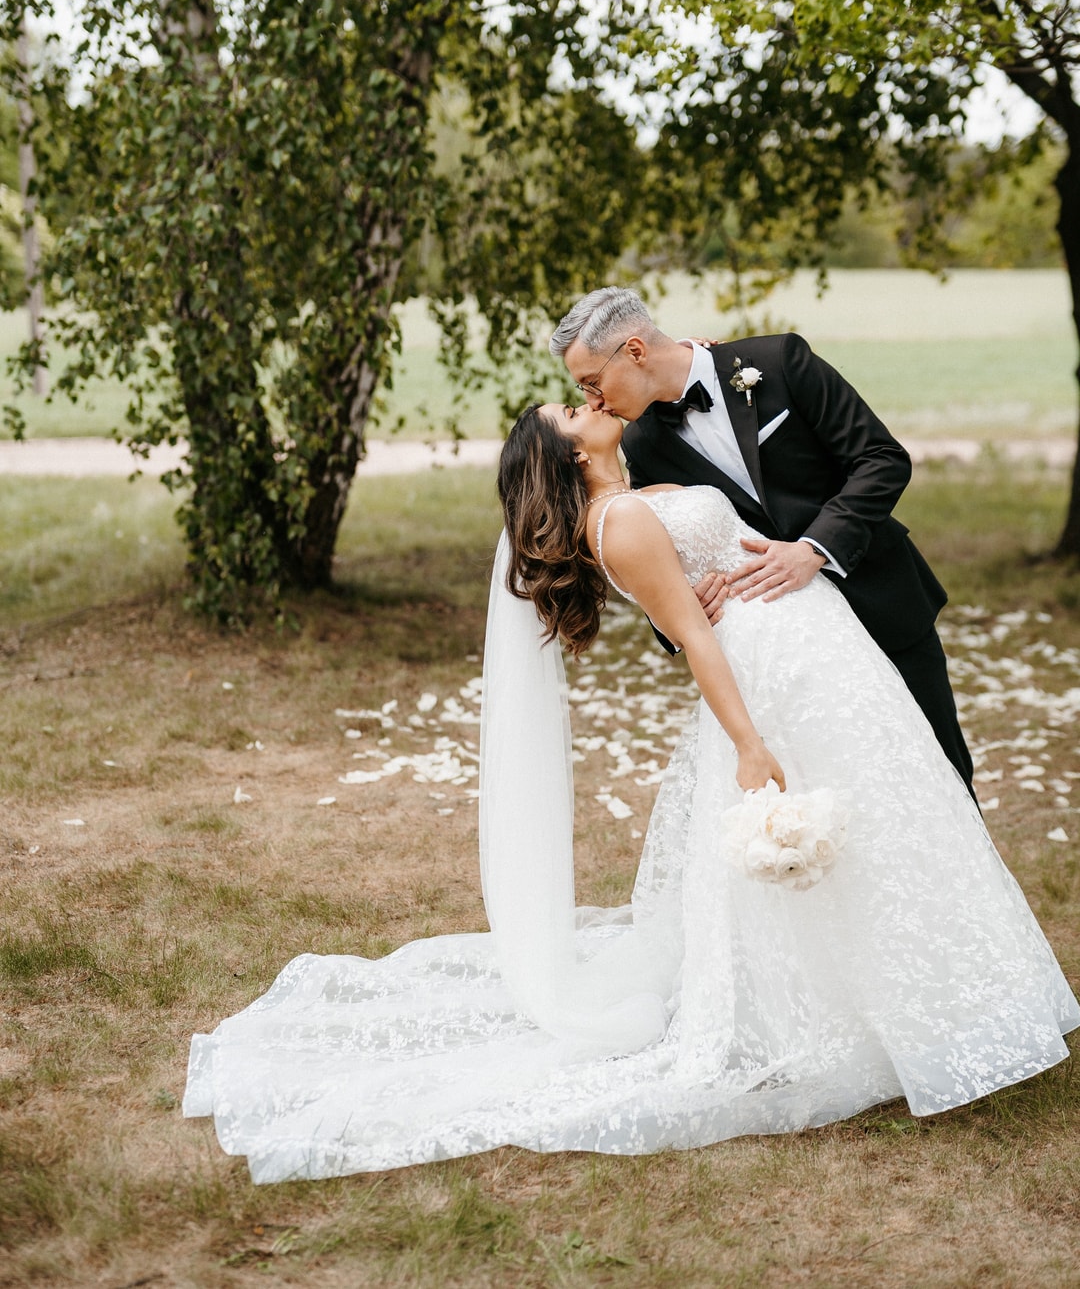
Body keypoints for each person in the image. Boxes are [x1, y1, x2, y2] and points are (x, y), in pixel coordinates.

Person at [183, 399, 1078, 1183]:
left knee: (893, 816)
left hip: (816, 649)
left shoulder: (641, 491)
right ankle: (868, 1015)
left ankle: (933, 996)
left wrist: (783, 552)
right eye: (568, 413)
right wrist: (748, 742)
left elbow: (719, 558)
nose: (585, 405)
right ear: (570, 453)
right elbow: (694, 637)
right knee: (846, 827)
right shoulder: (620, 524)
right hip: (770, 677)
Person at [550, 286, 975, 793]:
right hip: (786, 650)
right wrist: (685, 612)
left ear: (636, 351)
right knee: (839, 787)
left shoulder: (777, 362)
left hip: (876, 599)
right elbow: (656, 549)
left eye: (592, 382)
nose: (593, 400)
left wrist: (815, 548)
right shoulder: (642, 443)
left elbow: (881, 458)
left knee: (939, 771)